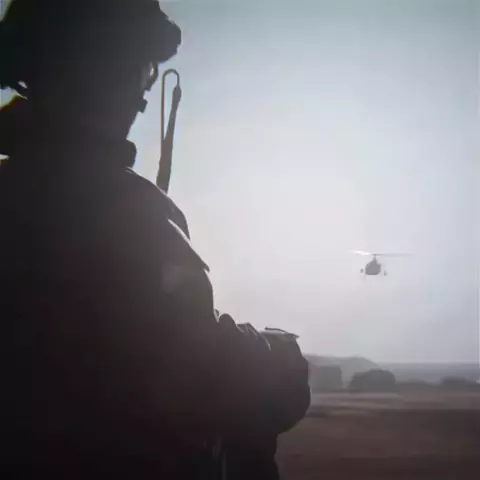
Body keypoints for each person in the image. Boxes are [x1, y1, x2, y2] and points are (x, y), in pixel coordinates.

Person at [0, 1, 310, 478]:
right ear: (101, 71)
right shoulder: (119, 213)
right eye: (140, 67)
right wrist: (277, 357)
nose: (143, 94)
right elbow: (195, 372)